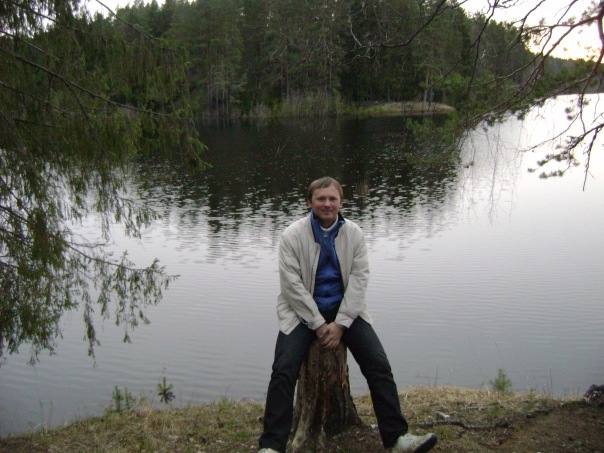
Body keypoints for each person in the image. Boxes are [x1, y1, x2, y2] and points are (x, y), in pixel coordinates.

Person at [258, 177, 437, 453]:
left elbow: (359, 280)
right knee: (283, 371)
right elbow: (291, 286)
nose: (327, 204)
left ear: (341, 202)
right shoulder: (292, 235)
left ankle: (397, 438)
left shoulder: (354, 234)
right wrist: (318, 324)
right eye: (321, 199)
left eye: (333, 199)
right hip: (302, 312)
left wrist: (341, 324)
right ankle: (271, 446)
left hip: (346, 311)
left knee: (378, 365)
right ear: (309, 202)